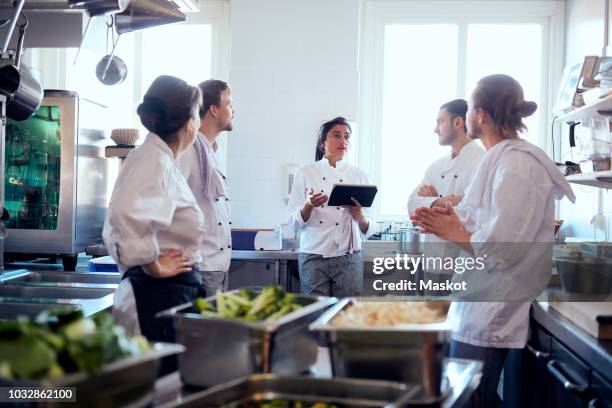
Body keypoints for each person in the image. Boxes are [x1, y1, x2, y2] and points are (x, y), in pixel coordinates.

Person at [411, 74, 575, 407]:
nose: (468, 113)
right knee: (467, 397)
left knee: (473, 400)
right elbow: (474, 222)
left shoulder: (516, 166)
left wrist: (451, 230)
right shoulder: (497, 159)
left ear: (481, 114)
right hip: (476, 301)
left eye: (471, 107)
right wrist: (450, 223)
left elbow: (502, 249)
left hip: (492, 309)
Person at [103, 75, 204, 343]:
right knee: (157, 380)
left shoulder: (159, 158)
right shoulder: (154, 160)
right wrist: (154, 266)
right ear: (189, 123)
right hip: (155, 293)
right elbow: (126, 214)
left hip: (166, 292)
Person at [287, 117, 374, 297]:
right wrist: (308, 206)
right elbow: (292, 223)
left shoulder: (359, 175)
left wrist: (360, 216)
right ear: (322, 143)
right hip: (313, 255)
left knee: (347, 314)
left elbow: (370, 228)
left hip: (348, 256)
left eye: (347, 137)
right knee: (315, 313)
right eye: (336, 135)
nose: (343, 141)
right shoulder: (305, 173)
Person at [407, 99, 485, 287]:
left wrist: (432, 201)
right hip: (431, 263)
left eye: (440, 121)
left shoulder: (483, 160)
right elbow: (412, 204)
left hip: (466, 265)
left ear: (458, 122)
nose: (435, 129)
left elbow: (476, 210)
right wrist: (450, 201)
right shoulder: (437, 165)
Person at [178, 79, 234, 296]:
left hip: (218, 263)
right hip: (199, 263)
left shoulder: (214, 150)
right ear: (213, 109)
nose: (232, 110)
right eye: (228, 104)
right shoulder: (188, 149)